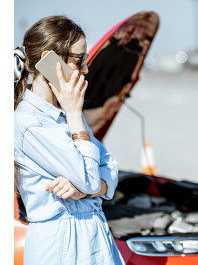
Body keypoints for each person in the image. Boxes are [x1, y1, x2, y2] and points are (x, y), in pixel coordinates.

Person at [14, 16, 125, 265]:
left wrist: (84, 193)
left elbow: (110, 166)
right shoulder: (29, 123)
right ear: (48, 60)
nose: (85, 69)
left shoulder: (65, 111)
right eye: (79, 60)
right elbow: (90, 178)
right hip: (63, 246)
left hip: (93, 237)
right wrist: (75, 115)